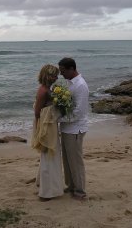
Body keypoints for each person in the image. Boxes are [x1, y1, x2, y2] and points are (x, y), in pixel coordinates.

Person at [58, 57, 89, 200]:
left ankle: (80, 191)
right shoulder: (69, 83)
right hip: (66, 128)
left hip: (75, 129)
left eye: (63, 71)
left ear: (71, 69)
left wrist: (58, 119)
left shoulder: (80, 85)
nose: (61, 74)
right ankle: (71, 185)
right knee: (67, 160)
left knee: (75, 161)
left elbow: (79, 112)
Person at [31, 64, 63, 201]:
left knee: (50, 155)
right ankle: (46, 192)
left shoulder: (48, 89)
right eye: (53, 75)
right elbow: (37, 112)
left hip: (50, 124)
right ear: (46, 75)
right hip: (46, 126)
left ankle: (44, 184)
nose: (56, 77)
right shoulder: (43, 91)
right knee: (49, 154)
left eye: (56, 75)